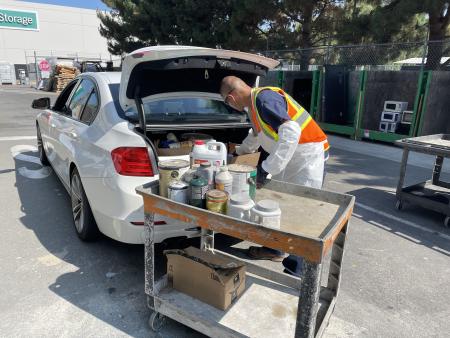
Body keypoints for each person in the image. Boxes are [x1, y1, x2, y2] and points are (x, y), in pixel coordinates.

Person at [220, 76, 329, 275]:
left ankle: (297, 270)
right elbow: (256, 135)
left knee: (301, 213)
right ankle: (274, 249)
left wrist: (267, 168)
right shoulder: (252, 106)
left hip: (308, 157)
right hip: (289, 156)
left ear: (231, 97)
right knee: (277, 205)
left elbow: (291, 130)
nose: (230, 107)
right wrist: (238, 153)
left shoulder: (264, 99)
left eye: (226, 102)